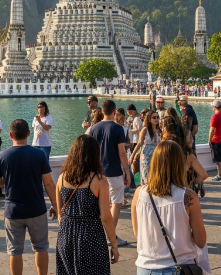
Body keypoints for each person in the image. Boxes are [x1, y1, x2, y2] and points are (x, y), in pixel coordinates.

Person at [0, 118, 58, 275]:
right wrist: (55, 205)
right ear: (28, 133)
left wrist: (9, 177)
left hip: (13, 211)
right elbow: (49, 183)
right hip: (36, 209)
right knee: (41, 247)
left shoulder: (2, 156)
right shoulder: (39, 154)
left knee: (15, 250)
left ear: (10, 135)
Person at [132, 141, 209, 274]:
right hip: (180, 267)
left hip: (146, 267)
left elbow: (138, 233)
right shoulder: (188, 197)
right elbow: (200, 241)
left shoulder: (139, 194)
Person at [55, 135, 119, 274]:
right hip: (90, 236)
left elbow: (60, 214)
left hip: (65, 234)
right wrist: (114, 244)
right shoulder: (99, 180)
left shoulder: (62, 178)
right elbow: (106, 217)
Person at [84, 100, 131, 246]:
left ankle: (98, 236)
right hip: (114, 171)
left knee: (99, 205)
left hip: (97, 172)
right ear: (114, 111)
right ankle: (111, 236)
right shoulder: (118, 128)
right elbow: (122, 153)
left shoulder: (93, 128)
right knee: (116, 203)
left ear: (102, 111)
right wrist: (127, 172)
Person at [161, 119, 208, 191]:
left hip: (167, 191)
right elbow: (203, 175)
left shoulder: (163, 154)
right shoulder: (189, 157)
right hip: (184, 191)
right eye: (189, 136)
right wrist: (191, 183)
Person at [131, 110, 161, 185]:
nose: (156, 119)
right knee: (146, 177)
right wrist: (132, 156)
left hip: (157, 156)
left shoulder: (160, 130)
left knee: (156, 177)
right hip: (147, 156)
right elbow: (139, 143)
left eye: (157, 117)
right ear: (149, 119)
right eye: (154, 117)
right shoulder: (145, 130)